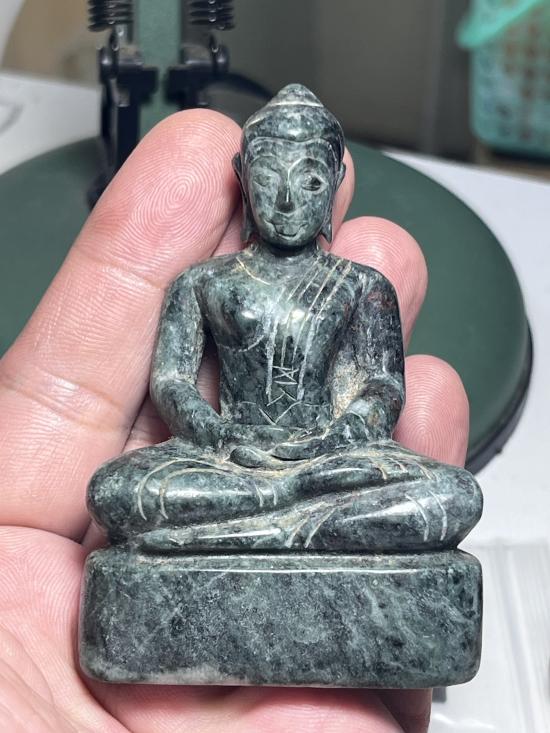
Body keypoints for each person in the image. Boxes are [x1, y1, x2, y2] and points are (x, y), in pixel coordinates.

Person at [0, 103, 473, 731]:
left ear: (333, 183)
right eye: (269, 175)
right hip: (229, 456)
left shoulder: (362, 287)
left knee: (453, 497)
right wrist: (219, 437)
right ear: (242, 176)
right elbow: (173, 382)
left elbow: (382, 386)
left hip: (332, 456)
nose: (287, 197)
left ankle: (272, 520)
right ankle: (288, 507)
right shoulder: (204, 282)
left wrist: (346, 432)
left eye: (310, 178)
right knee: (114, 492)